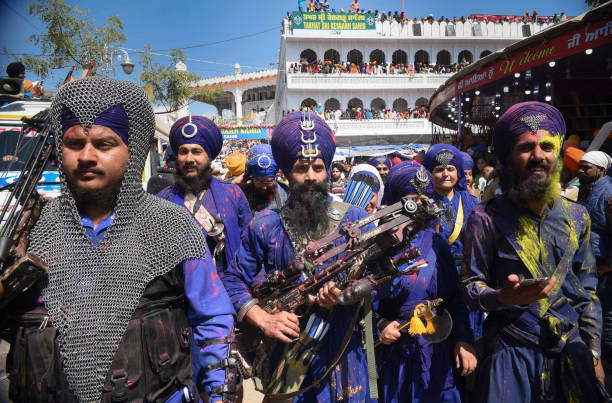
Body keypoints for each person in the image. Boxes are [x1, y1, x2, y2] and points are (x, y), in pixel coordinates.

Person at [0, 77, 234, 402]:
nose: (86, 156)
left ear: (132, 150)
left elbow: (212, 316)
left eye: (104, 144)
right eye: (74, 144)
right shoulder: (26, 230)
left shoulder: (172, 226)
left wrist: (218, 392)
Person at [222, 111, 376, 402]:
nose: (311, 177)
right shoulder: (265, 224)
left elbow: (378, 276)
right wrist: (264, 320)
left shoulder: (355, 219)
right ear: (285, 173)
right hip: (287, 360)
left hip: (343, 355)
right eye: (301, 168)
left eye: (318, 167)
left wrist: (349, 292)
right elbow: (232, 280)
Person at [461, 101, 605, 402]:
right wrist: (500, 297)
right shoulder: (485, 218)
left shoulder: (578, 217)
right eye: (526, 147)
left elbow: (588, 293)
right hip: (511, 355)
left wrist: (593, 353)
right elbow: (470, 287)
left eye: (547, 147)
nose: (538, 156)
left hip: (570, 351)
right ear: (506, 158)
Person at [377, 161, 476, 402]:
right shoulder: (376, 248)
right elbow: (362, 306)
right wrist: (380, 325)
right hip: (395, 356)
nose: (419, 208)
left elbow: (454, 298)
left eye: (425, 199)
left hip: (436, 352)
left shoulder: (436, 243)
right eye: (411, 200)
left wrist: (463, 340)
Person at [157, 116, 252, 278]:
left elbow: (250, 247)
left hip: (227, 290)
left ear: (209, 157)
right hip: (177, 296)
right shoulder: (162, 200)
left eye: (196, 151)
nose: (189, 159)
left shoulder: (232, 194)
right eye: (183, 152)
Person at [243, 143, 287, 213]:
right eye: (259, 182)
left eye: (269, 182)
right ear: (252, 178)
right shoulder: (242, 195)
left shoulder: (286, 193)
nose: (264, 187)